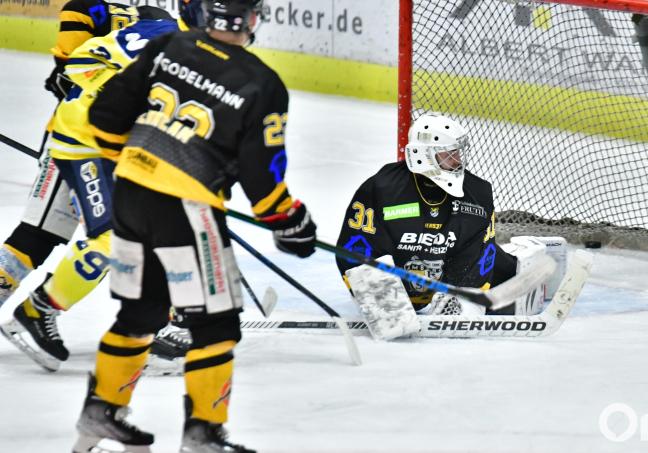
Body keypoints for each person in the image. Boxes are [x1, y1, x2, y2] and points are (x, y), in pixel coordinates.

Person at [73, 0, 317, 450]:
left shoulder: (169, 45)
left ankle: (99, 412)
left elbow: (104, 118)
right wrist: (289, 220)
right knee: (216, 327)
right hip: (187, 208)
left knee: (141, 313)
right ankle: (203, 432)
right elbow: (262, 179)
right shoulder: (263, 83)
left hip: (127, 193)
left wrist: (136, 166)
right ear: (253, 18)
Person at [0, 6, 183, 371]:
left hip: (116, 147)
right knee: (42, 235)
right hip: (81, 140)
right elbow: (67, 72)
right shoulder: (96, 7)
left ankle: (168, 316)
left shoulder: (152, 15)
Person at [336, 112, 550, 317]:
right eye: (449, 154)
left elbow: (480, 258)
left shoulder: (477, 194)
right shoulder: (382, 189)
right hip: (399, 291)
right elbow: (354, 250)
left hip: (451, 282)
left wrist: (461, 296)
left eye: (457, 152)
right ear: (423, 155)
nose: (458, 160)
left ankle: (527, 256)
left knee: (513, 276)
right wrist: (380, 298)